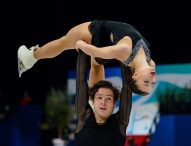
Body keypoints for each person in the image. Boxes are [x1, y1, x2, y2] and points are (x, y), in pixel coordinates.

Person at [18, 19, 156, 95]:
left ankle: (31, 57)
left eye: (146, 82)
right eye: (152, 83)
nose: (151, 79)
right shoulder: (150, 62)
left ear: (135, 76)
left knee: (63, 42)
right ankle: (94, 102)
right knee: (96, 66)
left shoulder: (125, 50)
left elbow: (96, 51)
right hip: (108, 43)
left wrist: (81, 45)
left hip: (99, 33)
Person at [74, 51, 132, 146]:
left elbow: (127, 86)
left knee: (96, 67)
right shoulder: (84, 117)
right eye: (99, 97)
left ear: (114, 103)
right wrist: (84, 48)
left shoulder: (120, 122)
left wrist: (83, 50)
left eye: (108, 99)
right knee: (96, 67)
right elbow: (80, 80)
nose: (103, 102)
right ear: (93, 101)